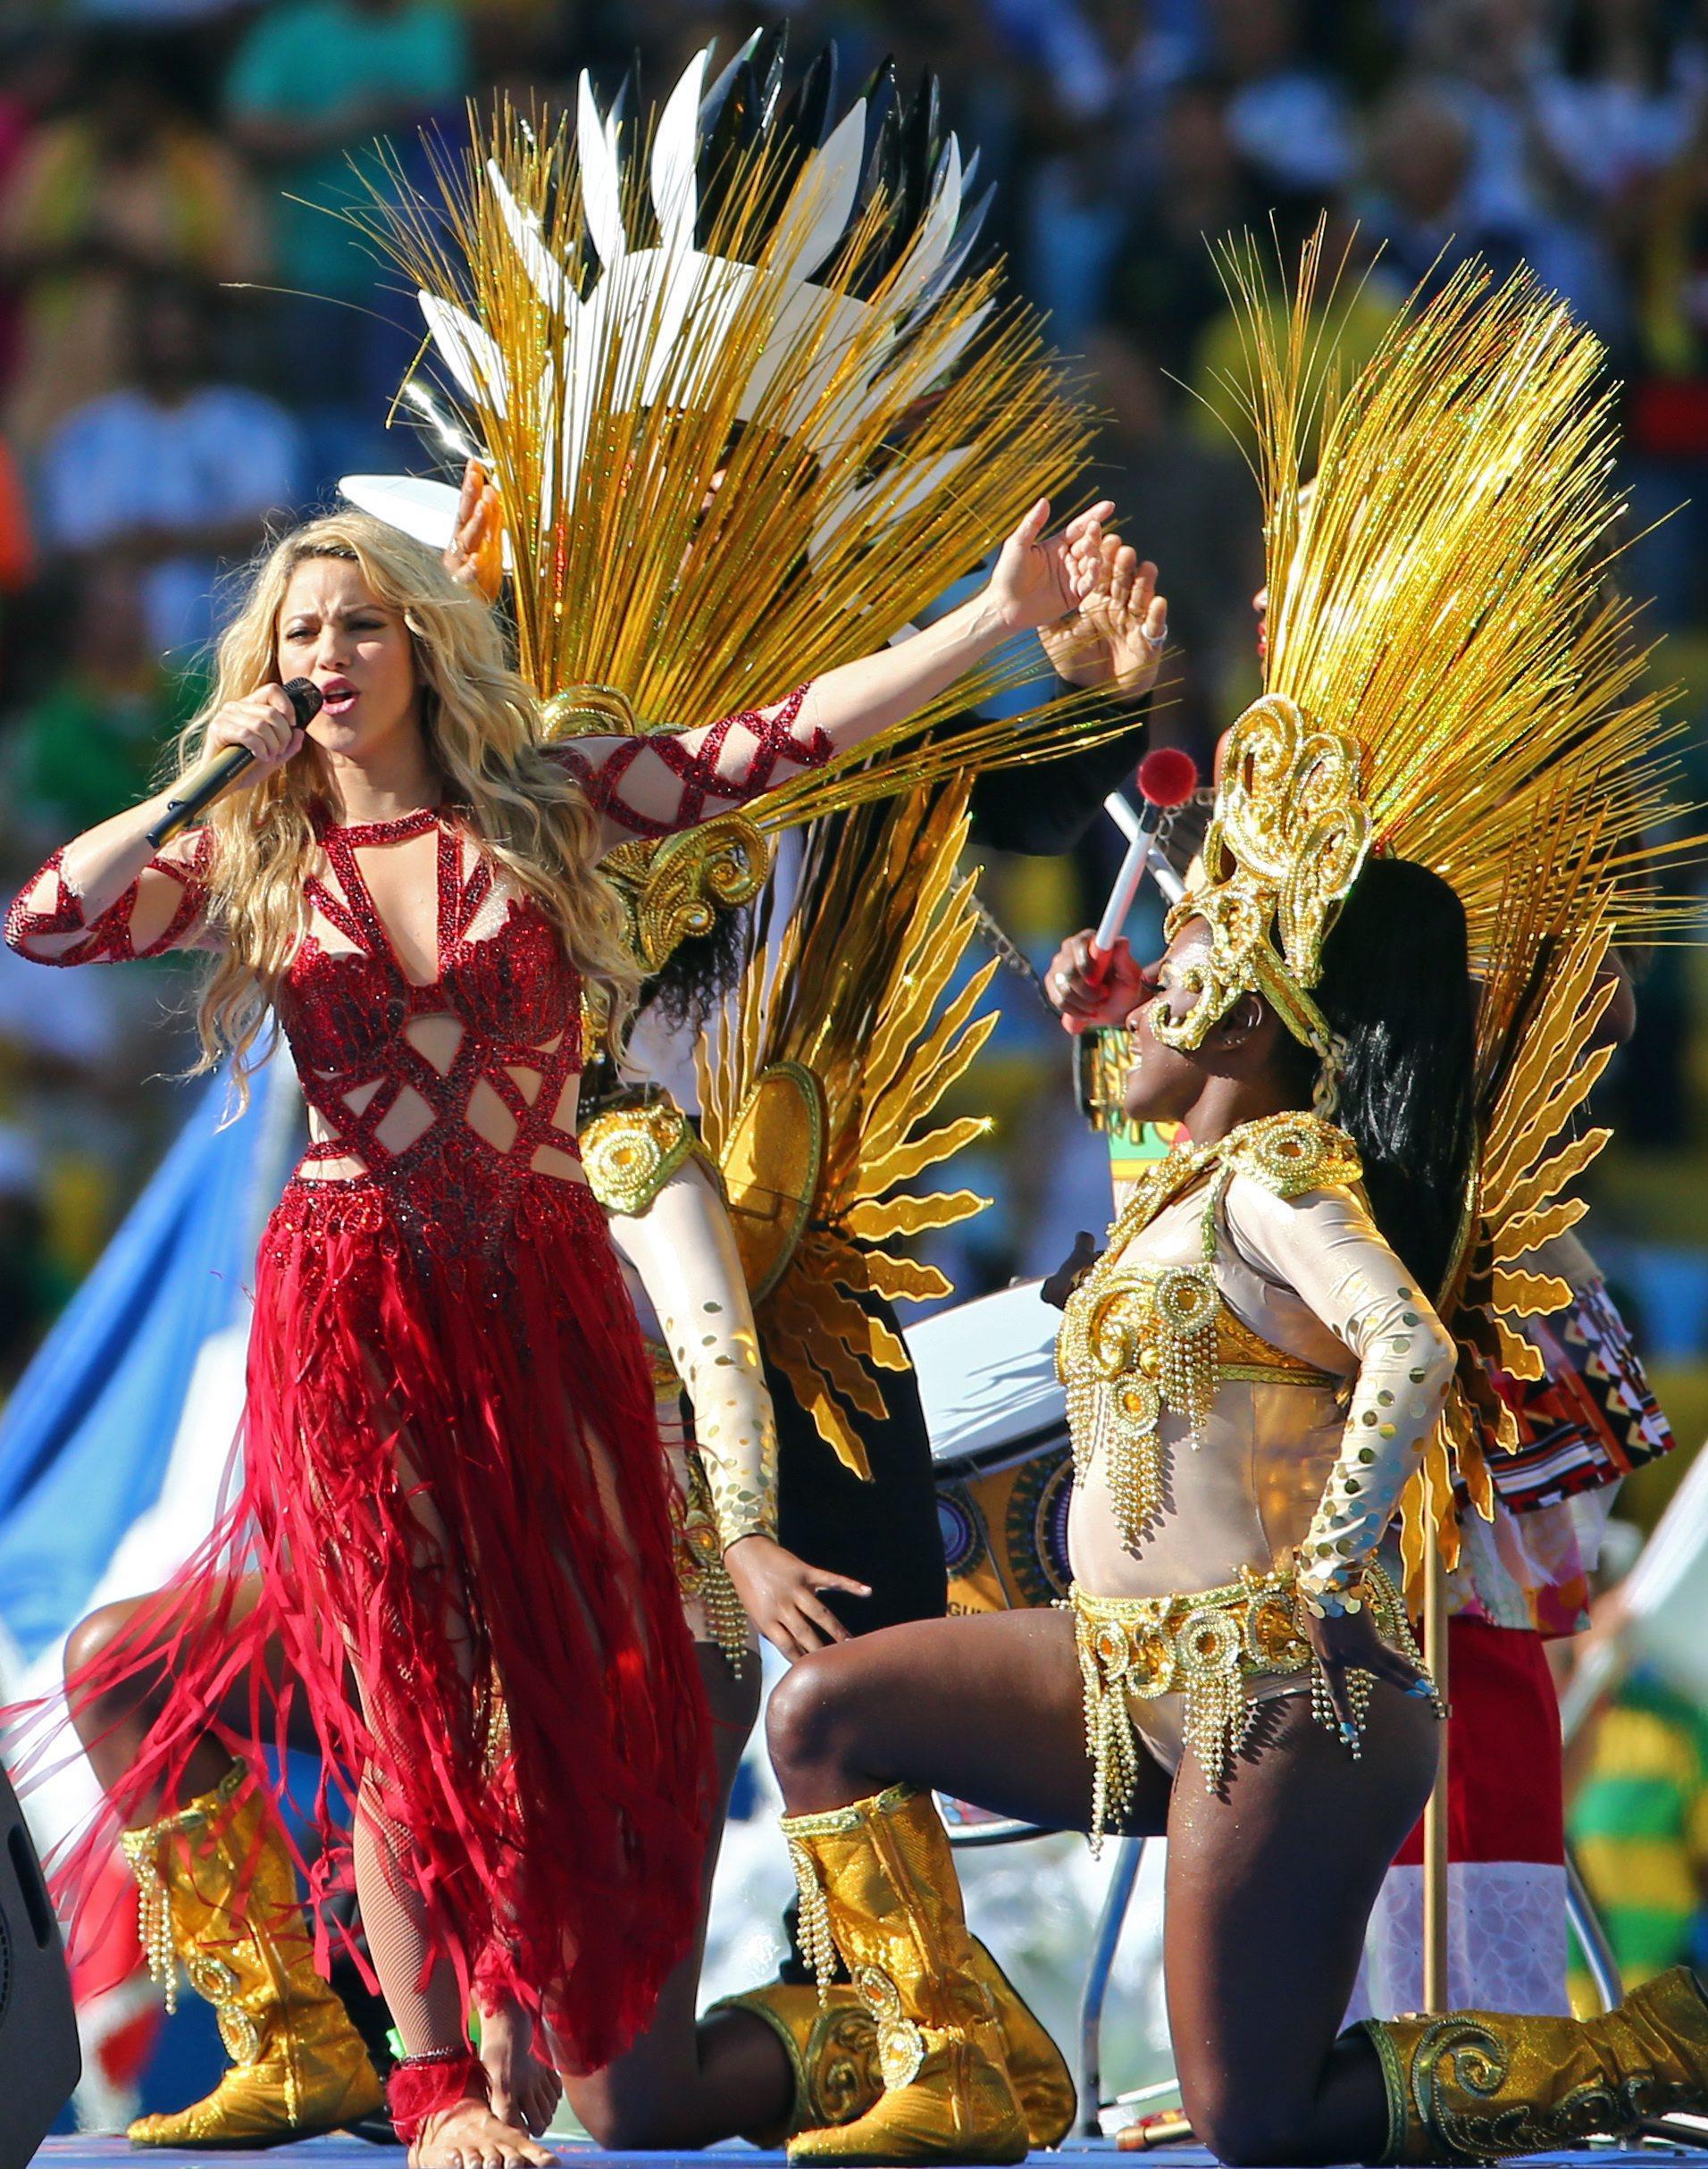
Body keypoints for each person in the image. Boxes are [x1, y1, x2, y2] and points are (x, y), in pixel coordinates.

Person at [3, 491, 1116, 2169]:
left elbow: (783, 741)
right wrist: (204, 780)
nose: (329, 656)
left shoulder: (545, 805)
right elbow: (44, 919)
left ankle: (792, 2021)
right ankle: (432, 2087)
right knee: (402, 1686)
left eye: (360, 625)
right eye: (301, 634)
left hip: (543, 1293)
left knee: (571, 1682)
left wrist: (992, 619)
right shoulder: (251, 858)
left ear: (421, 645)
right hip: (354, 1303)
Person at [739, 259, 1708, 2166]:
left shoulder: (1285, 1153)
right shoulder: (1196, 1138)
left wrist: (1322, 1581)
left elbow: (1411, 1325)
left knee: (1257, 2121)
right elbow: (1176, 1023)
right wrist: (1146, 744)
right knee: (838, 1692)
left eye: (1177, 975)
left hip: (1275, 1657)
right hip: (1129, 1657)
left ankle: (1604, 2045)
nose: (1135, 988)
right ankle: (952, 2043)